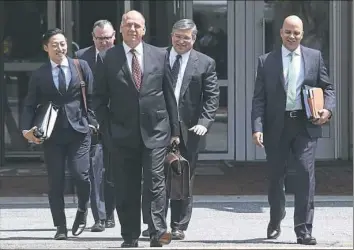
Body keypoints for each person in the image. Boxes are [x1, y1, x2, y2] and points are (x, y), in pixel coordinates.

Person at [93, 10, 179, 248]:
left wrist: (175, 131)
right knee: (126, 187)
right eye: (128, 25)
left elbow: (170, 95)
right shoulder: (109, 58)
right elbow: (98, 98)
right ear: (120, 29)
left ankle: (158, 231)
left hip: (156, 130)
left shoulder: (160, 55)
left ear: (144, 30)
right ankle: (130, 236)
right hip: (121, 133)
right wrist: (107, 129)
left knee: (155, 182)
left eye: (137, 26)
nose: (132, 29)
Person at [251, 15, 335, 245]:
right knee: (276, 178)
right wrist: (257, 127)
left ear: (302, 34)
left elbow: (328, 88)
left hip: (304, 125)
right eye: (288, 32)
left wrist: (327, 110)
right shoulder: (266, 61)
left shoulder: (314, 58)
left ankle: (303, 229)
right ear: (280, 33)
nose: (292, 36)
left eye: (296, 32)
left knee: (305, 175)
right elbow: (259, 99)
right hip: (276, 127)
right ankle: (276, 216)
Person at [142, 19, 219, 240]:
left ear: (194, 39)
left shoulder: (205, 63)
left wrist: (204, 123)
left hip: (190, 130)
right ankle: (155, 223)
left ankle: (178, 225)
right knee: (154, 178)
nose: (181, 41)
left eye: (186, 37)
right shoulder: (158, 58)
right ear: (171, 35)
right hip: (159, 127)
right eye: (177, 36)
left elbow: (212, 97)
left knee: (182, 178)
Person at [20, 28, 95, 240]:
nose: (60, 48)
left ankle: (82, 210)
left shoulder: (81, 67)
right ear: (46, 48)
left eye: (63, 44)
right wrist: (26, 130)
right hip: (52, 134)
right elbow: (29, 104)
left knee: (81, 175)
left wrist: (93, 123)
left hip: (79, 130)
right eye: (54, 45)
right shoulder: (40, 74)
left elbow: (93, 97)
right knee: (56, 181)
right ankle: (60, 226)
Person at [76, 19, 116, 232]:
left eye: (107, 38)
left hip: (119, 123)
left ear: (114, 37)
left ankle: (110, 214)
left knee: (113, 172)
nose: (103, 42)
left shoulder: (122, 56)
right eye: (99, 38)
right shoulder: (80, 58)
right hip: (91, 124)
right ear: (93, 38)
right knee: (94, 171)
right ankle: (99, 217)